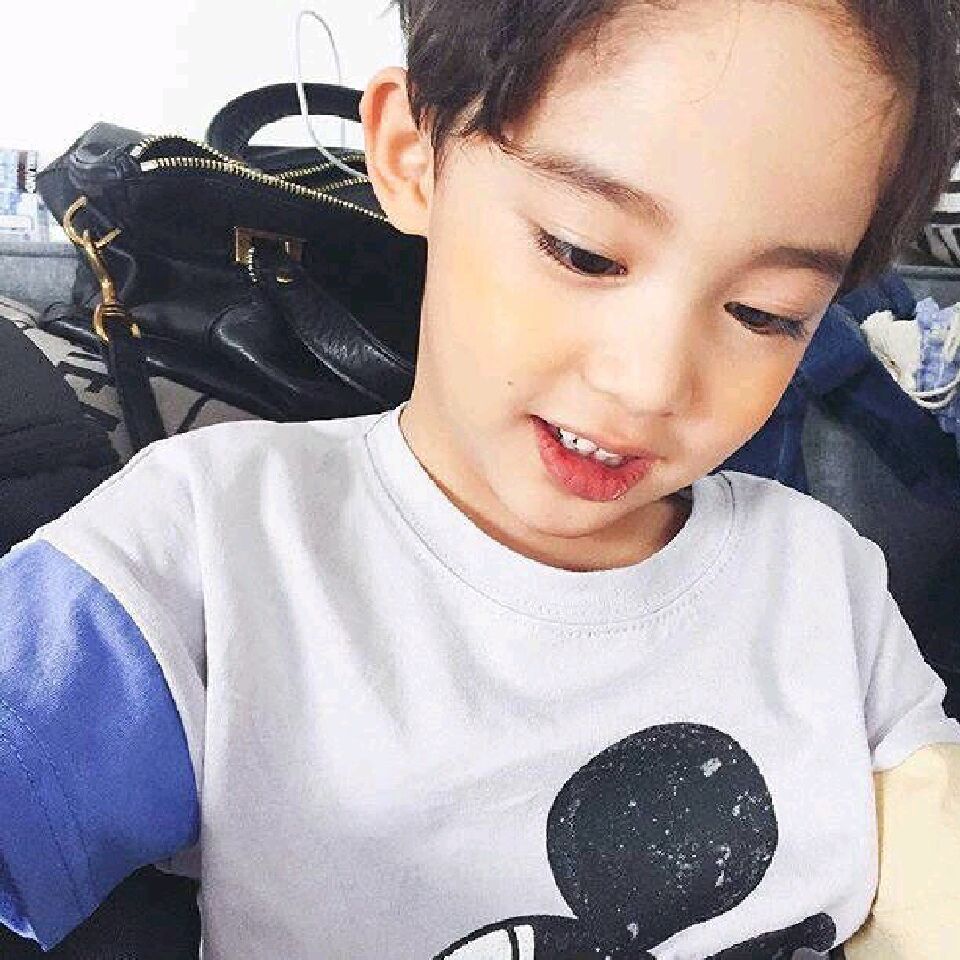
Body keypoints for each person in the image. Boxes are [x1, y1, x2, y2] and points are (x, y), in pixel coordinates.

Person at [2, 0, 959, 956]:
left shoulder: (820, 581)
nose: (652, 382)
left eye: (765, 313)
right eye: (584, 252)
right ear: (412, 155)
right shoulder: (214, 552)